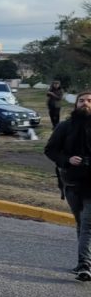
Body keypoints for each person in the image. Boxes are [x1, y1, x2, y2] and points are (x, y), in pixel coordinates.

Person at [44, 91, 91, 281]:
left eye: (89, 101)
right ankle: (84, 261)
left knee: (88, 225)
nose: (85, 103)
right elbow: (50, 150)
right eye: (82, 100)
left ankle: (84, 265)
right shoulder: (65, 126)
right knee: (81, 223)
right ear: (75, 104)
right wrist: (67, 159)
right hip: (71, 183)